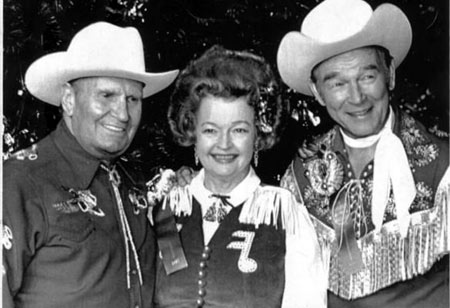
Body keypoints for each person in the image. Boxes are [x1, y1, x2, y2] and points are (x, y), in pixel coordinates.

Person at [276, 0, 449, 307]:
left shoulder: (442, 167)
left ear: (390, 75)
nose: (356, 97)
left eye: (367, 77)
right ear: (317, 93)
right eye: (338, 83)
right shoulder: (301, 176)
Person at [2, 22, 179, 307]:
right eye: (106, 95)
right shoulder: (17, 182)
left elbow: (176, 273)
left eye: (133, 99)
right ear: (69, 100)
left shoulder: (134, 183)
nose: (122, 113)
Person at [152, 45, 327, 308]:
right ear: (193, 133)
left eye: (239, 130)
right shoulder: (165, 207)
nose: (224, 144)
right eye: (211, 130)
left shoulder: (285, 214)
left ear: (258, 135)